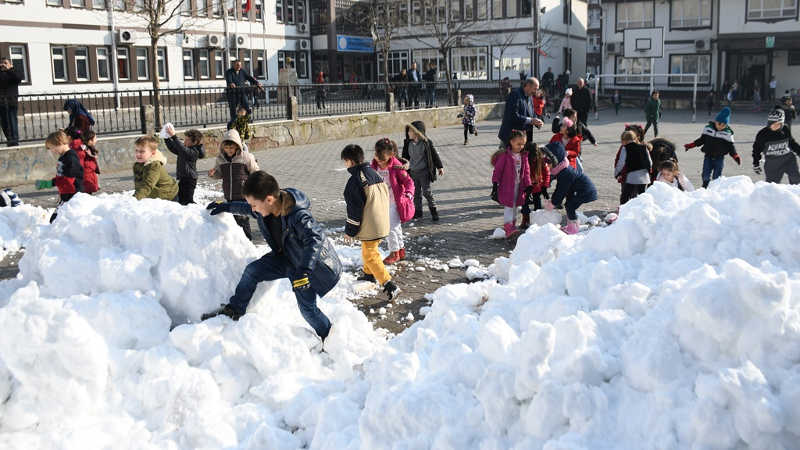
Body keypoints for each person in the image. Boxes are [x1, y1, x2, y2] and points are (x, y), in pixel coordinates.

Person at [202, 171, 341, 344]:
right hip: (286, 258)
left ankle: (329, 338)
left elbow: (315, 239)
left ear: (269, 199)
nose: (252, 208)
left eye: (254, 204)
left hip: (307, 267)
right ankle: (235, 310)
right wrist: (226, 206)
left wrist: (304, 270)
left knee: (308, 310)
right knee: (252, 271)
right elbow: (247, 209)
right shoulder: (265, 210)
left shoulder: (298, 215)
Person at [341, 144, 400, 299]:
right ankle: (368, 275)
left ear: (350, 162)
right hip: (382, 221)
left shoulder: (355, 181)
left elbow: (354, 211)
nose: (345, 165)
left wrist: (349, 232)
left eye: (345, 161)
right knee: (368, 249)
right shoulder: (373, 172)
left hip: (371, 224)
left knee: (370, 255)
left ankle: (389, 285)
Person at [370, 138, 415, 265]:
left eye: (383, 160)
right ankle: (400, 250)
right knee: (395, 227)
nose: (380, 163)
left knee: (390, 227)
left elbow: (409, 182)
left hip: (394, 201)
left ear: (391, 155)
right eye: (378, 159)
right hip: (381, 202)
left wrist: (409, 194)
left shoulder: (396, 167)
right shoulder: (373, 166)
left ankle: (394, 252)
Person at [209, 129, 260, 240]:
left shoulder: (246, 157)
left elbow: (256, 172)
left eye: (231, 147)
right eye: (226, 148)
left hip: (243, 196)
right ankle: (237, 244)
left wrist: (252, 186)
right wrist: (213, 174)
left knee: (243, 221)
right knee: (233, 222)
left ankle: (247, 242)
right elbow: (219, 175)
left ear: (237, 146)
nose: (229, 150)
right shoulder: (220, 159)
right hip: (229, 195)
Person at [542, 141, 597, 235]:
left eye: (547, 161)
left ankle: (573, 228)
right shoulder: (560, 168)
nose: (546, 164)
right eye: (544, 161)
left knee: (570, 206)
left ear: (555, 161)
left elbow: (561, 190)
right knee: (569, 204)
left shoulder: (565, 172)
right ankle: (571, 226)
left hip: (585, 191)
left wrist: (553, 202)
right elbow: (552, 178)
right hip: (577, 189)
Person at [684, 107, 741, 188]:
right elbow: (701, 140)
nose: (721, 126)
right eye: (719, 123)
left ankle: (714, 187)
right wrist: (691, 145)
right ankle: (705, 184)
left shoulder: (727, 133)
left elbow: (730, 147)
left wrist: (735, 156)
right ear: (715, 121)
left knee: (717, 175)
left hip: (719, 157)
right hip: (708, 156)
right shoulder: (708, 129)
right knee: (705, 173)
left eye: (724, 124)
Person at [36, 130, 84, 223]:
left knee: (56, 221)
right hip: (66, 194)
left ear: (60, 143)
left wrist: (48, 184)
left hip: (73, 195)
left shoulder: (71, 158)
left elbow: (68, 179)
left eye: (53, 148)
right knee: (56, 221)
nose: (52, 151)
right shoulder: (63, 157)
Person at [490, 129, 531, 239]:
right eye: (518, 144)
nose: (521, 146)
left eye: (523, 144)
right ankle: (508, 226)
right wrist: (495, 184)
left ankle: (512, 224)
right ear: (511, 142)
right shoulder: (505, 156)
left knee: (516, 206)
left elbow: (527, 172)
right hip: (507, 186)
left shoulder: (524, 156)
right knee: (509, 206)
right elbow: (497, 171)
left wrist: (528, 185)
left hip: (519, 186)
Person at [401, 121, 444, 221]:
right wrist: (402, 169)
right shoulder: (408, 143)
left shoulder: (426, 143)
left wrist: (439, 167)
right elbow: (404, 158)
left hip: (424, 172)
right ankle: (418, 212)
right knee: (416, 193)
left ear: (417, 132)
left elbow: (434, 155)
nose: (408, 133)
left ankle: (433, 210)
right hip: (413, 173)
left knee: (427, 192)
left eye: (410, 131)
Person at [752, 109, 800, 184]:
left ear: (782, 123)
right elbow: (756, 150)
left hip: (789, 160)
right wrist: (756, 163)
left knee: (796, 180)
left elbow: (792, 143)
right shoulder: (763, 134)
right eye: (772, 124)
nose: (774, 126)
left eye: (778, 124)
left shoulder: (785, 129)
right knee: (772, 185)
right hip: (772, 163)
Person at [498, 77, 544, 149]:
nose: (536, 91)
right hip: (511, 138)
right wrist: (531, 120)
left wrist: (537, 121)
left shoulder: (530, 97)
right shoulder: (515, 94)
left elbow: (531, 113)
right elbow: (513, 115)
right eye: (535, 89)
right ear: (528, 86)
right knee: (506, 159)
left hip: (523, 140)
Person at [165, 125, 205, 205]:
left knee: (188, 202)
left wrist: (174, 137)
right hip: (183, 178)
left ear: (195, 142)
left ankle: (198, 214)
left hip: (190, 180)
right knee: (181, 201)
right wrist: (166, 138)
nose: (184, 141)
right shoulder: (184, 150)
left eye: (187, 140)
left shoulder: (195, 152)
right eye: (185, 139)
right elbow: (173, 148)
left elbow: (183, 149)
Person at [132, 135, 178, 201]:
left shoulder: (154, 166)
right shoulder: (138, 165)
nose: (138, 154)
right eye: (136, 150)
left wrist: (134, 199)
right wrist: (137, 196)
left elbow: (147, 184)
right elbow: (139, 185)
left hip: (168, 195)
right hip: (155, 195)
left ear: (152, 153)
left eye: (142, 151)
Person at [614, 130, 652, 205]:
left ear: (624, 140)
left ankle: (623, 211)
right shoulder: (644, 147)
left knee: (625, 196)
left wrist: (616, 173)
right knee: (642, 196)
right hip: (644, 176)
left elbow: (621, 162)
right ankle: (644, 210)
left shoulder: (625, 148)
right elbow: (650, 162)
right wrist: (648, 172)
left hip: (632, 176)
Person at [519, 142, 551, 229]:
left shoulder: (541, 160)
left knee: (534, 202)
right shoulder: (524, 159)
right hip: (528, 185)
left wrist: (544, 186)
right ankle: (526, 219)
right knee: (526, 203)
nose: (533, 159)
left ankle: (535, 219)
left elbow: (546, 173)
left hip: (535, 185)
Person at [0, 56, 22, 147]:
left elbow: (18, 78)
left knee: (12, 122)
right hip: (1, 102)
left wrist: (9, 69)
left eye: (5, 63)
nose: (3, 65)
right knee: (4, 123)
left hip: (11, 102)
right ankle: (9, 140)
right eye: (2, 63)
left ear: (10, 64)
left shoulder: (14, 71)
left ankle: (14, 141)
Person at [79, 130, 100, 194]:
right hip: (87, 175)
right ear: (90, 141)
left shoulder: (90, 148)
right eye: (95, 138)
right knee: (87, 193)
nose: (96, 140)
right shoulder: (84, 150)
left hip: (90, 174)